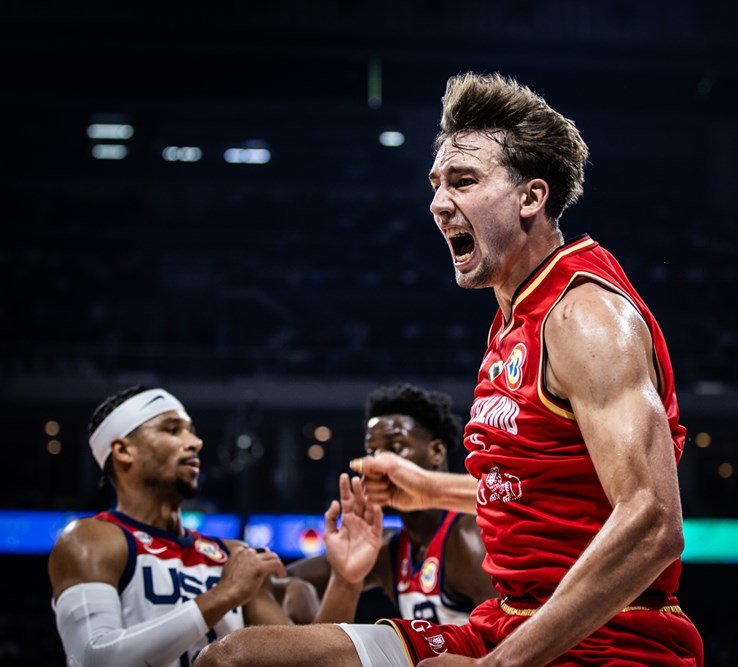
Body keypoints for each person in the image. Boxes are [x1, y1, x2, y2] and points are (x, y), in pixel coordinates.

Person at [195, 72, 703, 666]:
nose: (438, 203)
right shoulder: (515, 314)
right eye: (435, 184)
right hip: (505, 620)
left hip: (613, 638)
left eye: (463, 181)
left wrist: (500, 666)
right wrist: (431, 489)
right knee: (235, 658)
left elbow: (653, 520)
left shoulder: (585, 317)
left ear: (531, 197)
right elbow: (549, 484)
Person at [49, 385, 295, 667]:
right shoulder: (89, 539)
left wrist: (344, 581)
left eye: (191, 430)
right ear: (123, 450)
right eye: (172, 430)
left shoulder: (232, 554)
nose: (195, 442)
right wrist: (223, 595)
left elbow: (299, 660)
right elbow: (95, 659)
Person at [279, 383, 495, 625]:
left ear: (436, 451)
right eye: (372, 451)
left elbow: (512, 639)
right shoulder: (390, 550)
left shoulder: (470, 535)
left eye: (395, 448)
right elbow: (280, 580)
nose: (379, 462)